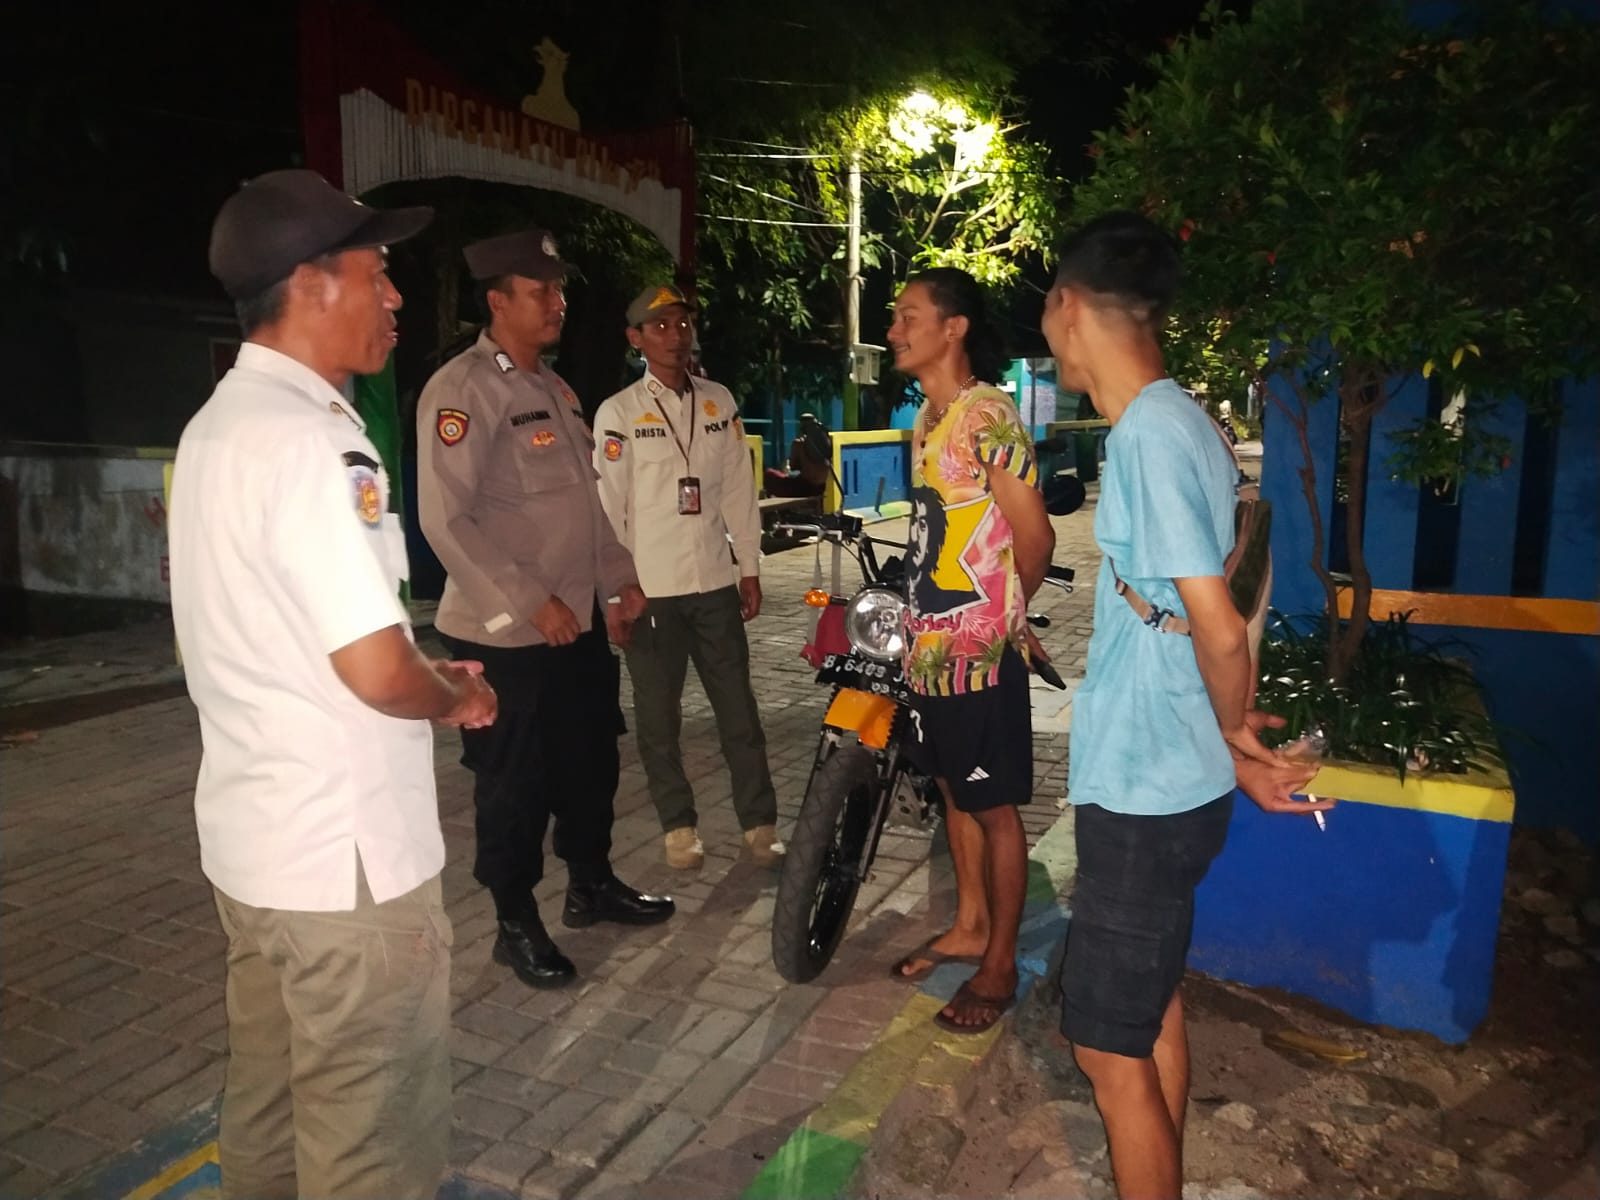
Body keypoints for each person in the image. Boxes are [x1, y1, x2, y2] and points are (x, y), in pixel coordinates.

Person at [169, 168, 498, 1200]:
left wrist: (418, 669)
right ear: (311, 282)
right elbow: (376, 670)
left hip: (257, 855)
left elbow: (288, 634)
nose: (394, 295)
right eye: (378, 270)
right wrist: (454, 695)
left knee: (267, 1124)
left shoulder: (216, 427)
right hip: (346, 873)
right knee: (370, 1154)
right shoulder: (315, 441)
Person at [1040, 211, 1329, 1200]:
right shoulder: (1187, 421)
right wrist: (1231, 747)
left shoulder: (1150, 436)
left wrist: (1236, 727)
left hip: (1146, 790)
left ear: (1067, 306)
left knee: (1105, 1051)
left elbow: (1217, 625)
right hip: (1173, 773)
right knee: (1150, 1005)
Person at [416, 230, 674, 991]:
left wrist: (620, 580)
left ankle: (590, 885)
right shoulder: (463, 390)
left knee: (591, 764)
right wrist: (533, 603)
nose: (557, 303)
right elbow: (445, 519)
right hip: (508, 636)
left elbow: (588, 509)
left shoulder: (555, 391)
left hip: (577, 624)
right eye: (540, 292)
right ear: (498, 301)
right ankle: (513, 919)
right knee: (514, 785)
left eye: (559, 290)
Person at [885, 266, 1056, 1035]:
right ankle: (969, 925)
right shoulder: (930, 417)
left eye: (908, 315)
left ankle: (1000, 964)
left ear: (952, 328)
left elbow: (1036, 535)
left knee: (994, 808)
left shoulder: (987, 414)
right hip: (930, 652)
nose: (894, 329)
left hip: (979, 652)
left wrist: (1005, 615)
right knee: (955, 791)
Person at [593, 284, 783, 869]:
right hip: (650, 592)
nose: (675, 336)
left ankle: (759, 825)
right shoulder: (619, 413)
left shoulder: (718, 402)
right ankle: (678, 827)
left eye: (682, 324)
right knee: (658, 720)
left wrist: (748, 566)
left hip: (714, 585)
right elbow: (608, 508)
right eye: (660, 326)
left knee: (739, 713)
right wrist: (615, 594)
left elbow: (738, 490)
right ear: (635, 338)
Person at [764, 411, 831, 497]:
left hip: (804, 488)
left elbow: (793, 467)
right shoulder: (827, 442)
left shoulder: (798, 444)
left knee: (769, 474)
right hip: (821, 488)